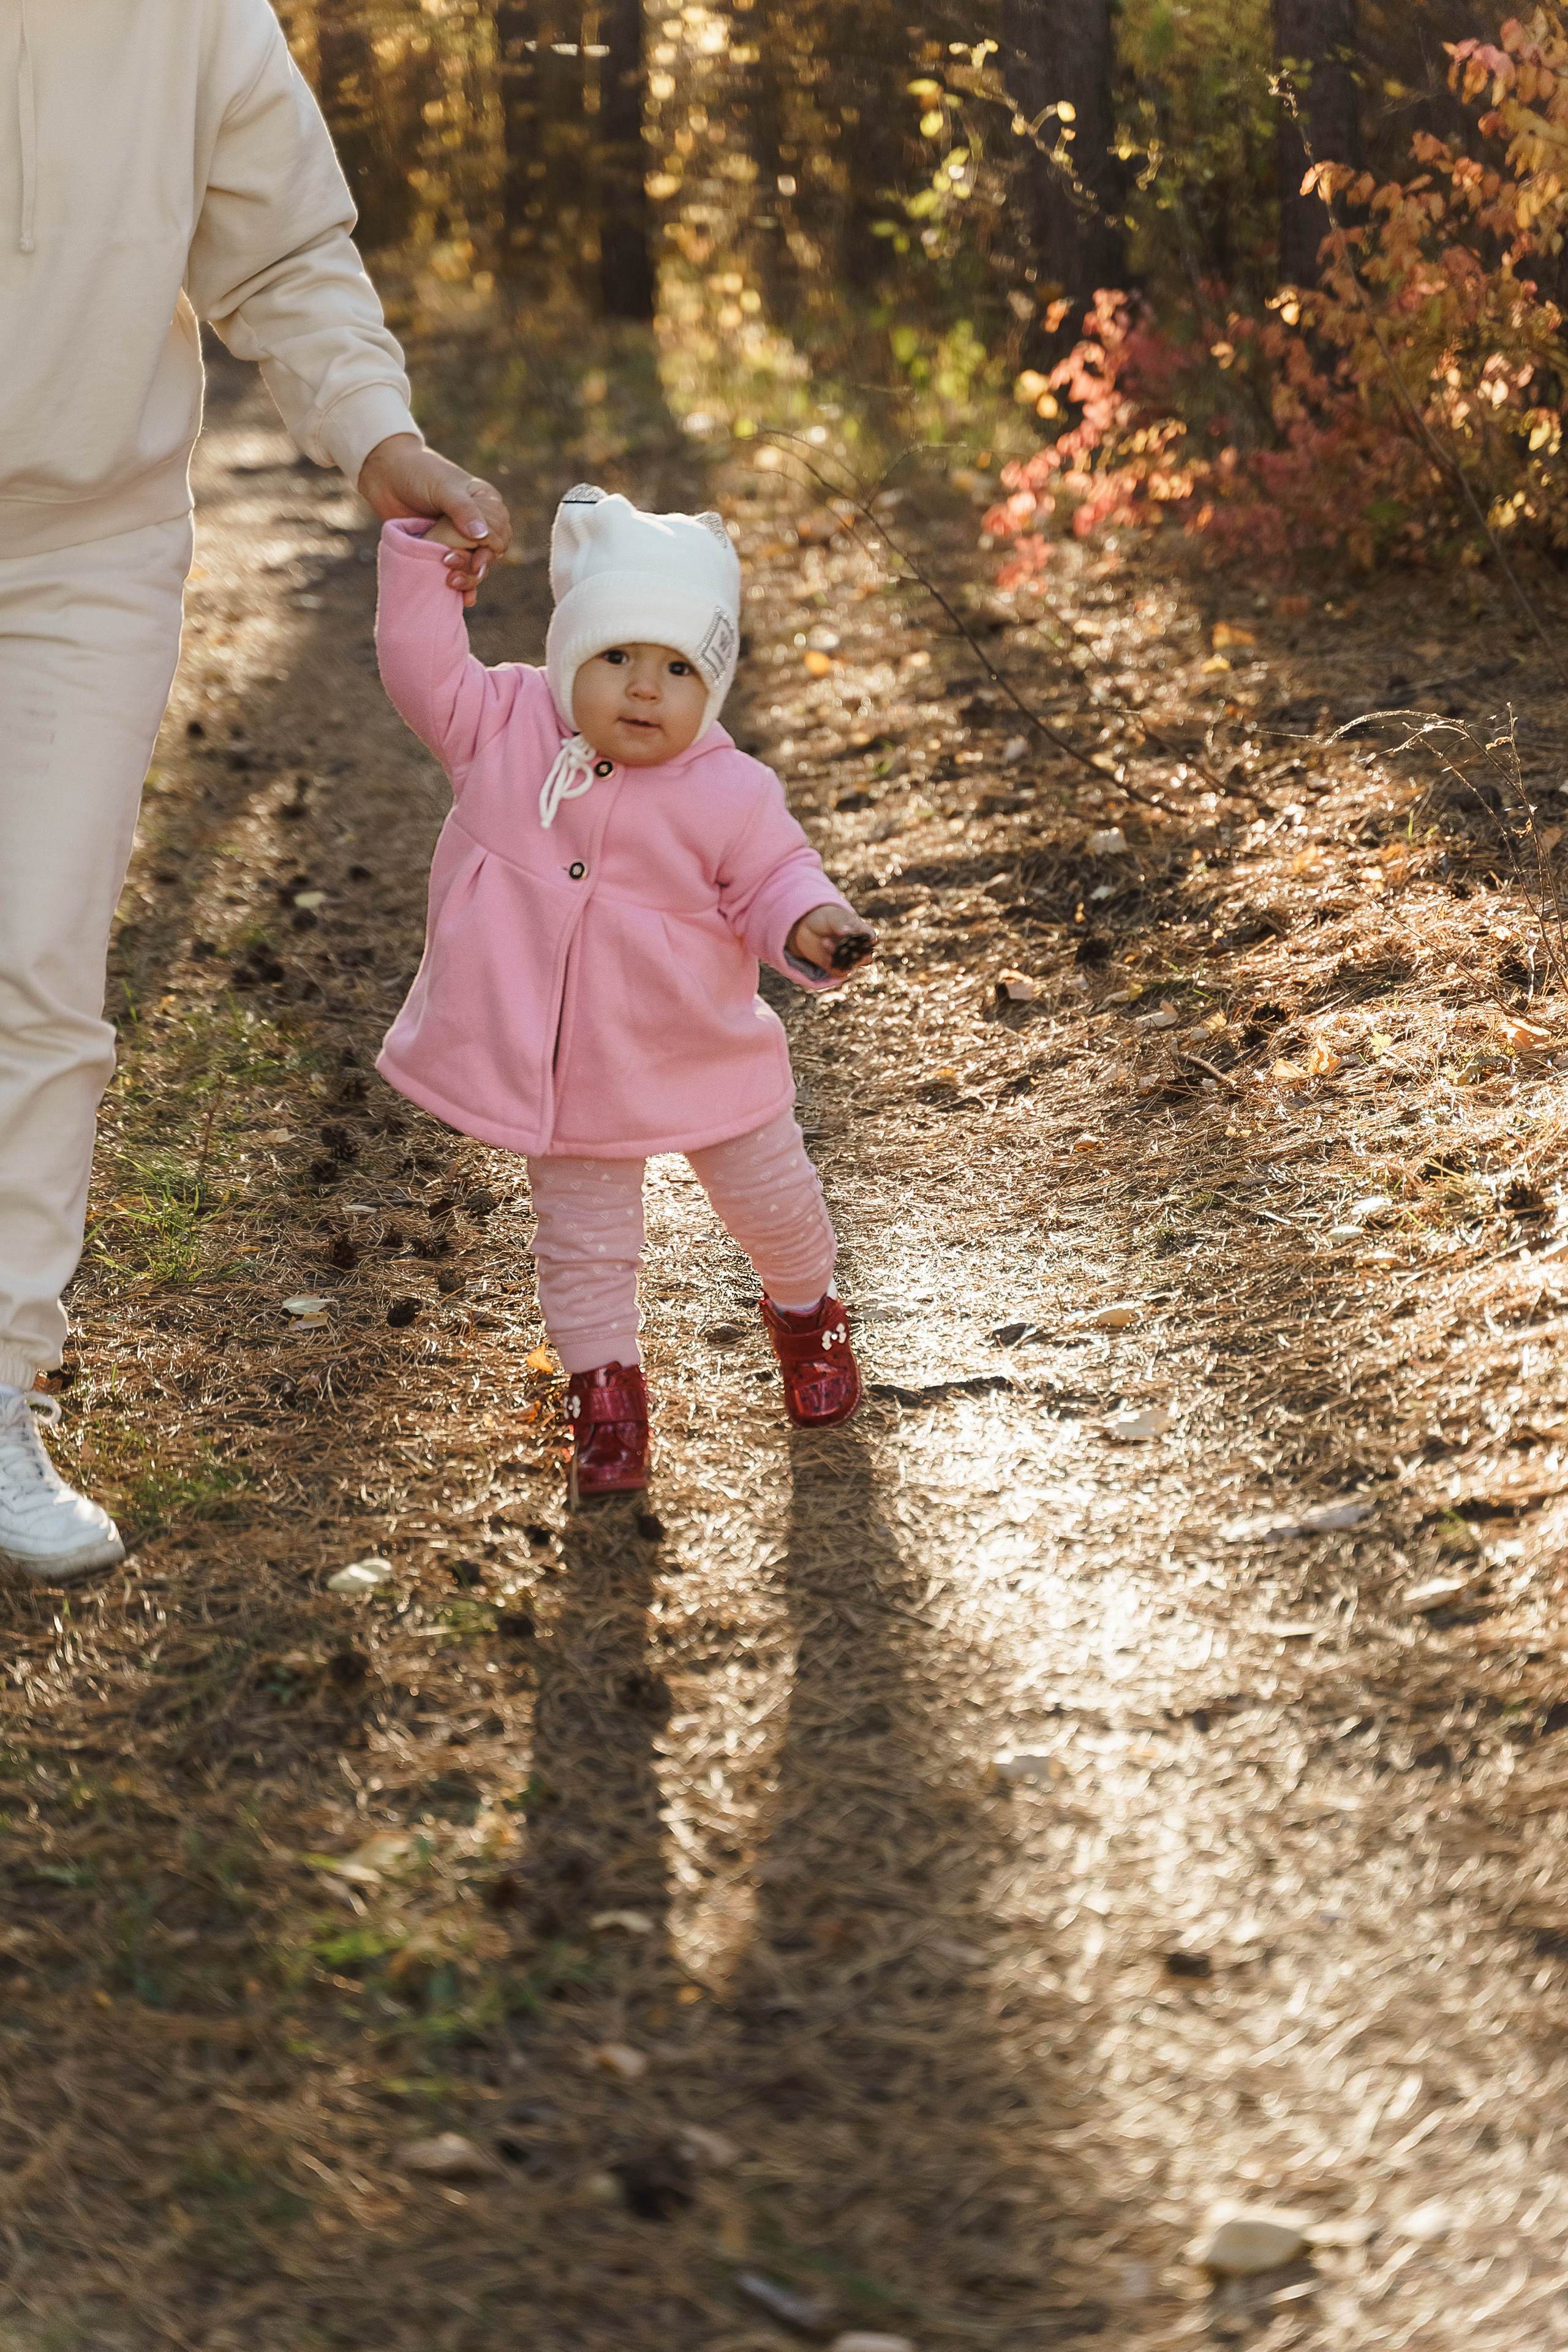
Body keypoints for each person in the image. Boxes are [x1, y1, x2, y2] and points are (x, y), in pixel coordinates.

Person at [0, 0, 512, 1583]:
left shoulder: (194, 15)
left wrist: (379, 436)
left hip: (82, 552)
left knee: (36, 957)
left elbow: (284, 254)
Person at [373, 484, 876, 1500]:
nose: (645, 690)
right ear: (569, 657)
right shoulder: (505, 729)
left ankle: (807, 1315)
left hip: (699, 1048)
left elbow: (777, 875)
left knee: (776, 1206)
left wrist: (810, 922)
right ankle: (606, 1393)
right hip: (567, 1075)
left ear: (713, 685)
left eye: (678, 668)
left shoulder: (731, 791)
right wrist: (424, 566)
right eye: (616, 658)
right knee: (585, 1248)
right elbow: (420, 669)